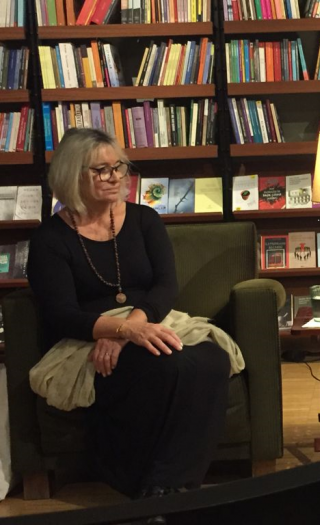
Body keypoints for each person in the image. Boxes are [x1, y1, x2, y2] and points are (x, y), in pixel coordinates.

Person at [27, 128, 231, 505]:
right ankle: (165, 491)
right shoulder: (49, 239)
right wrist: (119, 330)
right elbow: (61, 314)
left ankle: (164, 489)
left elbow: (166, 286)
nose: (114, 177)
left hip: (150, 322)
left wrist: (130, 329)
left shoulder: (144, 219)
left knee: (213, 359)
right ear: (72, 175)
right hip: (87, 338)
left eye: (118, 167)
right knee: (168, 367)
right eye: (101, 170)